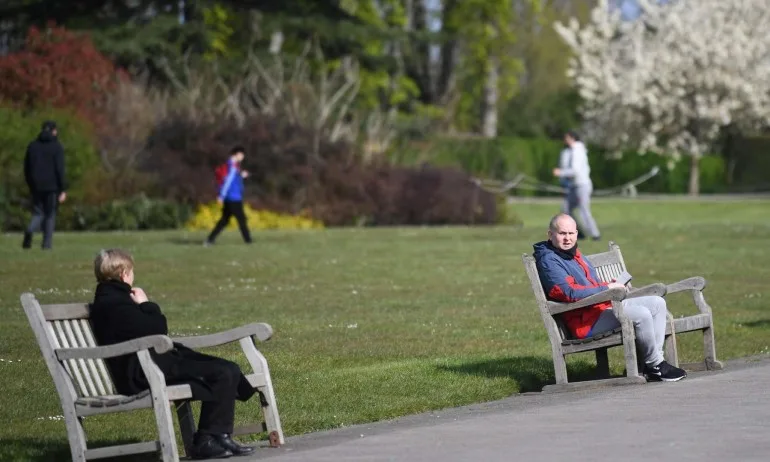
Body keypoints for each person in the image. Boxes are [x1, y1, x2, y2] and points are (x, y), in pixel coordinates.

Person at [89, 249, 256, 459]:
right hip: (143, 372)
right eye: (131, 271)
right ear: (124, 273)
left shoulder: (112, 299)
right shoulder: (114, 304)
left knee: (226, 369)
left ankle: (218, 436)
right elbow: (157, 328)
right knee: (223, 371)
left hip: (152, 364)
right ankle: (207, 440)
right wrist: (147, 304)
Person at [533, 213, 686, 382]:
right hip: (585, 321)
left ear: (577, 233)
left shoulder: (573, 253)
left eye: (571, 233)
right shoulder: (549, 261)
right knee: (641, 313)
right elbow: (569, 292)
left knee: (657, 303)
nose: (567, 238)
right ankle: (655, 364)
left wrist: (612, 284)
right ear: (550, 234)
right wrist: (607, 288)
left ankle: (654, 364)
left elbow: (590, 284)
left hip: (600, 307)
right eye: (562, 233)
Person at [22, 120, 67, 250]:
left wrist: (30, 184)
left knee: (38, 213)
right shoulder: (56, 147)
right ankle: (46, 244)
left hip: (36, 186)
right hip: (52, 187)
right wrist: (62, 188)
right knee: (50, 214)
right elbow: (60, 169)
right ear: (54, 131)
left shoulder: (32, 146)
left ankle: (30, 230)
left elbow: (26, 168)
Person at [553, 130, 600, 241]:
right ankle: (579, 232)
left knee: (584, 210)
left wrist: (560, 172)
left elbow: (575, 170)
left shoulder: (577, 150)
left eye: (567, 138)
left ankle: (595, 234)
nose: (564, 140)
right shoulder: (569, 151)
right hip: (573, 186)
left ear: (572, 138)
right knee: (566, 209)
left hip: (582, 185)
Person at [205, 146, 252, 246]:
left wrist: (241, 175)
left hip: (232, 197)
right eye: (242, 155)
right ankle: (248, 241)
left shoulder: (233, 166)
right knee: (241, 219)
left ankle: (209, 240)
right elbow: (227, 182)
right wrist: (221, 196)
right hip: (233, 197)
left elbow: (234, 179)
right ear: (236, 154)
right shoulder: (232, 166)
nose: (243, 157)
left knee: (224, 220)